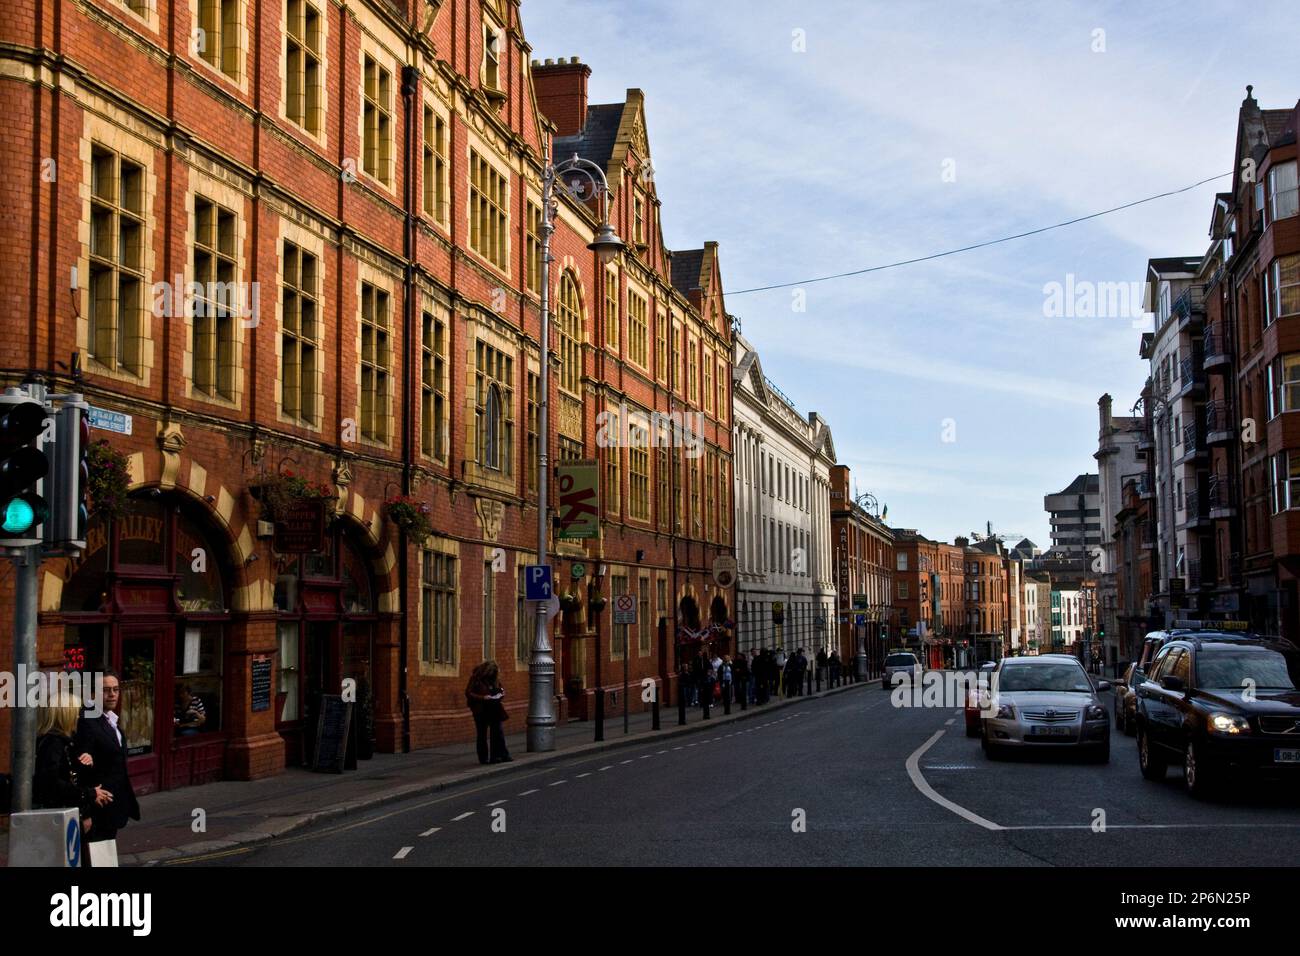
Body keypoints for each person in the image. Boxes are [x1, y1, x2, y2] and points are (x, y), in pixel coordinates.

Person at [75, 670, 140, 850]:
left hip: (112, 807)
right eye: (106, 690)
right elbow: (81, 770)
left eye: (116, 689)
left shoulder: (109, 719)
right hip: (98, 809)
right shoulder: (87, 721)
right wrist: (85, 811)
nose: (112, 694)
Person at [35, 690, 111, 839]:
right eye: (75, 713)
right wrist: (88, 793)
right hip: (59, 817)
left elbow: (71, 774)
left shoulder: (65, 741)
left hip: (68, 813)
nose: (78, 717)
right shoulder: (53, 744)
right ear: (65, 716)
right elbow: (52, 782)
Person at [465, 661, 512, 764]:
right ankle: (483, 758)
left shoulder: (494, 679)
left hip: (493, 708)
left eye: (494, 673)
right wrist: (483, 697)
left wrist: (501, 693)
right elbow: (468, 693)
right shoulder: (475, 678)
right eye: (490, 672)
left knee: (497, 732)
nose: (492, 674)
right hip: (480, 710)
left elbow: (500, 688)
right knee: (482, 734)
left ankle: (497, 756)